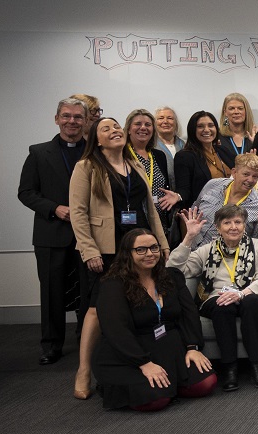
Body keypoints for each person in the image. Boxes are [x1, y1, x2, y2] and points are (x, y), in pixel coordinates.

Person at [70, 116, 171, 400]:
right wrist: (88, 250)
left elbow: (150, 209)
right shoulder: (87, 166)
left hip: (139, 245)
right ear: (96, 139)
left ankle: (125, 360)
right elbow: (78, 213)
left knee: (131, 304)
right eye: (106, 129)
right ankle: (84, 370)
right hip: (106, 247)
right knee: (96, 309)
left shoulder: (134, 164)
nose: (114, 131)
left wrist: (161, 243)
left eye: (116, 127)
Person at [93, 229, 216, 411]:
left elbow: (188, 313)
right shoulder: (113, 285)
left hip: (168, 346)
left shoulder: (171, 276)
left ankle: (169, 386)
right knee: (155, 400)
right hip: (130, 353)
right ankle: (157, 387)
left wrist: (192, 347)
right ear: (128, 253)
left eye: (154, 248)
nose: (150, 254)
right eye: (141, 250)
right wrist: (143, 363)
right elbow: (116, 330)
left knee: (206, 382)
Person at [168, 205, 258, 391]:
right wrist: (189, 237)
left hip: (252, 295)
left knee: (250, 303)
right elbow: (174, 270)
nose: (233, 227)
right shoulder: (206, 250)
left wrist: (240, 293)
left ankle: (257, 366)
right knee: (221, 305)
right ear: (218, 228)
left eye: (238, 222)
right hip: (218, 298)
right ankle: (230, 368)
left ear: (244, 225)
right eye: (227, 223)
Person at [17, 97, 88, 366]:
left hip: (88, 236)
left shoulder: (95, 152)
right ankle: (51, 345)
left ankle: (86, 339)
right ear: (56, 118)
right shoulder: (38, 152)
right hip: (51, 234)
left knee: (87, 292)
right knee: (51, 292)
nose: (72, 121)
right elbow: (26, 193)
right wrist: (54, 208)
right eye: (67, 116)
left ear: (85, 121)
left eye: (78, 117)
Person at [189, 153, 258, 248]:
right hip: (195, 250)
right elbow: (195, 209)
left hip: (229, 258)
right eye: (246, 174)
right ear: (234, 172)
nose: (250, 180)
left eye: (255, 176)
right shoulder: (213, 185)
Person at [125, 109, 181, 232]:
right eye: (138, 124)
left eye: (148, 125)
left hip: (160, 220)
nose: (143, 128)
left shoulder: (158, 155)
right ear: (128, 129)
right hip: (133, 221)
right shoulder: (122, 155)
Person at [174, 111, 232, 209]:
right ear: (193, 130)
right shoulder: (184, 156)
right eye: (200, 126)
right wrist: (178, 196)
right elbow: (184, 189)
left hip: (228, 211)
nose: (206, 130)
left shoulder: (222, 150)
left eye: (211, 125)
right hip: (202, 213)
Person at [217, 93, 255, 164]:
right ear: (225, 112)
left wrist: (256, 143)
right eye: (231, 108)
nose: (236, 112)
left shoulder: (255, 135)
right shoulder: (217, 136)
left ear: (246, 111)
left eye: (240, 108)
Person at [154, 106, 183, 184]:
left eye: (170, 118)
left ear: (176, 123)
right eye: (161, 118)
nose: (165, 121)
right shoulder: (150, 146)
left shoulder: (185, 145)